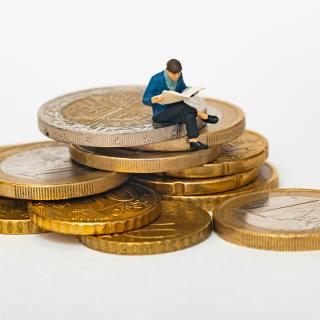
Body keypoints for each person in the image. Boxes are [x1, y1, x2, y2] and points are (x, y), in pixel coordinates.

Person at [142, 59, 219, 151]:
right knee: (183, 107)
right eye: (173, 74)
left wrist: (191, 91)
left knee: (189, 115)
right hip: (162, 114)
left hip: (177, 112)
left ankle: (193, 141)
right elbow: (145, 99)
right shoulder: (156, 79)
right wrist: (154, 99)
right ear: (167, 71)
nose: (176, 76)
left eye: (178, 73)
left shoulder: (179, 76)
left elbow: (182, 88)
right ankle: (203, 116)